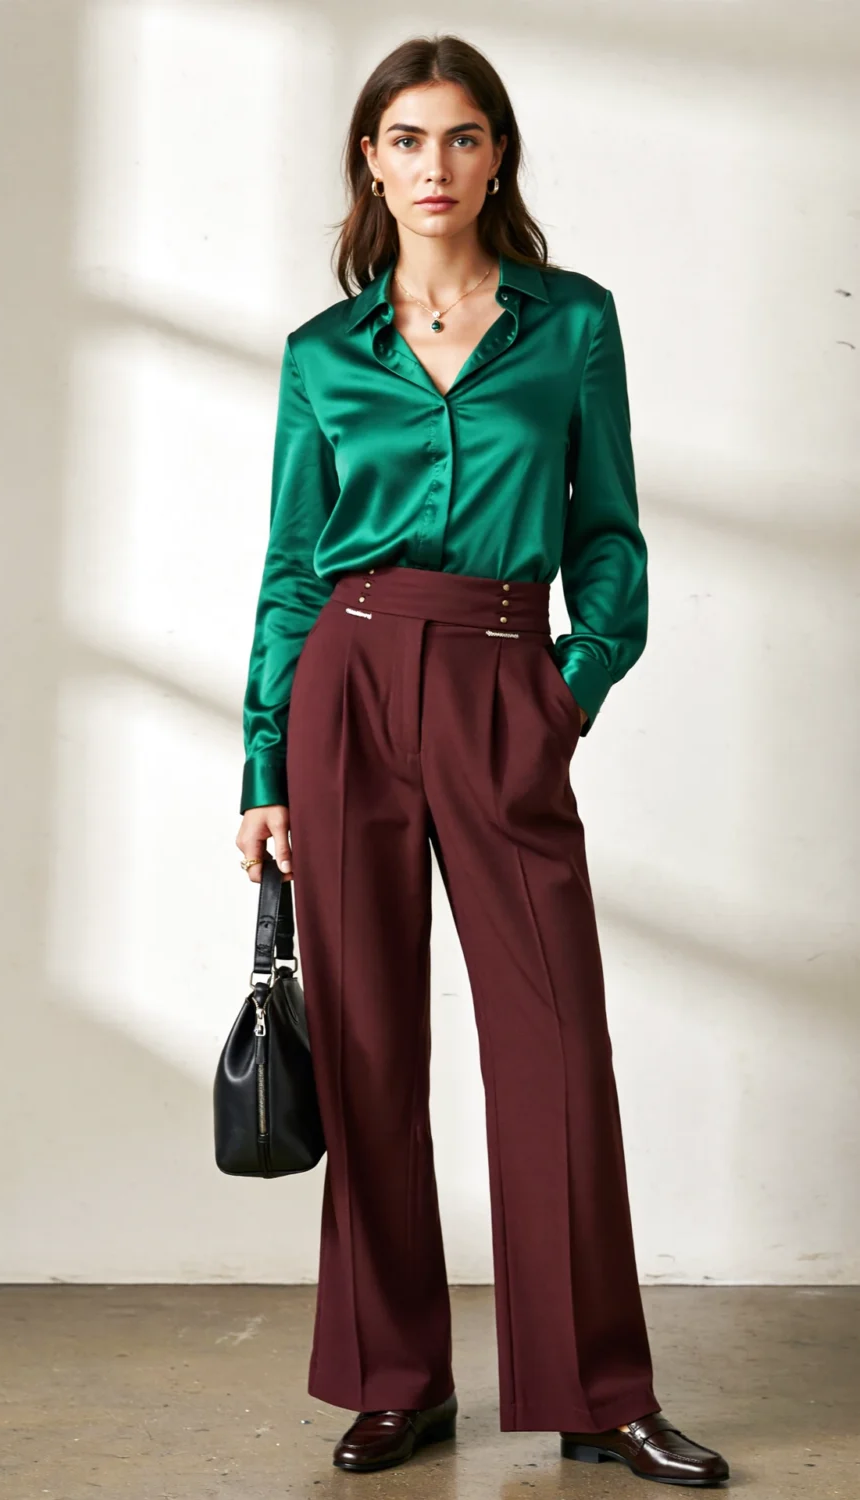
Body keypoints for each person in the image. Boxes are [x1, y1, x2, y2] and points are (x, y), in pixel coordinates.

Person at [234, 32, 731, 1489]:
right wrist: (265, 761)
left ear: (496, 153)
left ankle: (596, 1391)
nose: (432, 166)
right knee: (374, 1048)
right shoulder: (325, 356)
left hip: (507, 679)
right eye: (404, 138)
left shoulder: (571, 325)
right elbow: (285, 570)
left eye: (459, 137)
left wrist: (562, 694)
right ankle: (398, 1380)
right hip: (350, 682)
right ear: (368, 162)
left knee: (555, 1049)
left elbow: (613, 542)